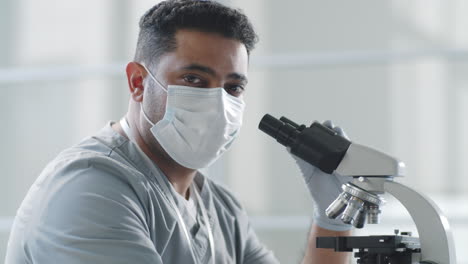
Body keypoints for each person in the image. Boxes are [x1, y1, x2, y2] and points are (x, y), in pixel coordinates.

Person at [5, 0, 352, 263]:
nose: (217, 103)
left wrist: (333, 219)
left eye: (233, 88)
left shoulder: (221, 209)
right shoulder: (89, 190)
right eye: (193, 80)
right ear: (138, 82)